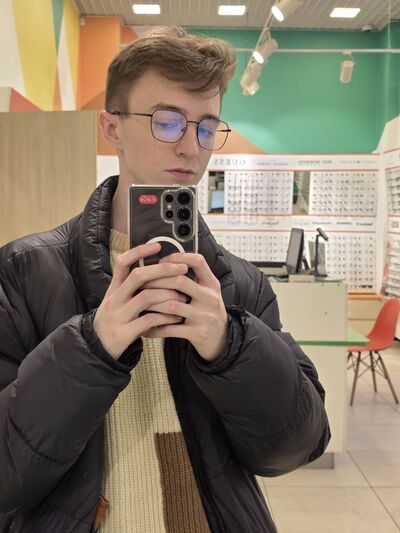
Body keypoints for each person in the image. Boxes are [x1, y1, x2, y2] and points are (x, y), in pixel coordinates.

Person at [0, 26, 330, 533]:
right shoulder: (25, 272)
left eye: (206, 128)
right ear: (111, 128)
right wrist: (91, 346)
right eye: (168, 122)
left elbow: (297, 445)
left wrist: (230, 345)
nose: (191, 148)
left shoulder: (240, 286)